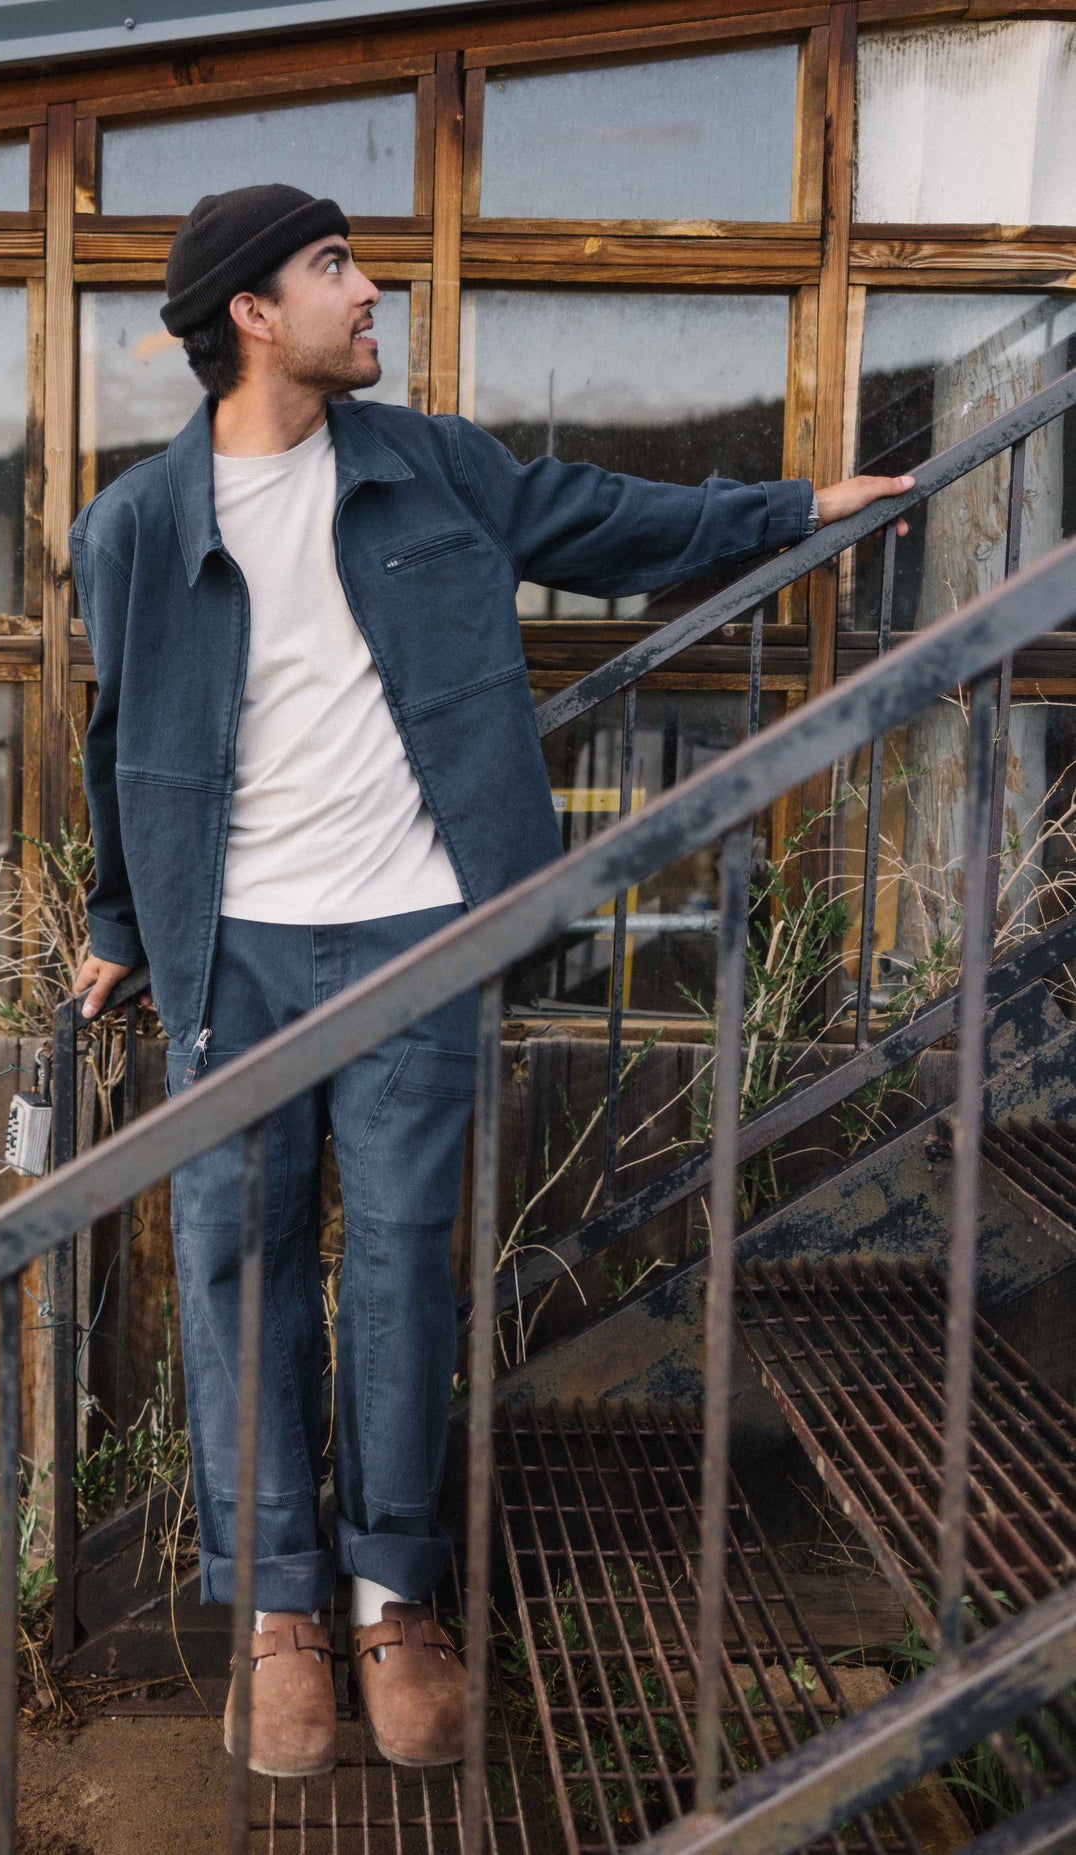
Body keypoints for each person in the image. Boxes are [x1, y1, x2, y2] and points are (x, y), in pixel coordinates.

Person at [69, 183, 911, 1779]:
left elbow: (612, 520)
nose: (370, 288)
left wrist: (791, 508)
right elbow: (120, 747)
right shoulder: (136, 526)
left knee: (398, 1262)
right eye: (337, 268)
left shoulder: (431, 465)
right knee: (240, 1262)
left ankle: (395, 1598)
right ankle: (279, 1616)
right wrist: (119, 919)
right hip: (231, 959)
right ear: (252, 314)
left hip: (417, 933)